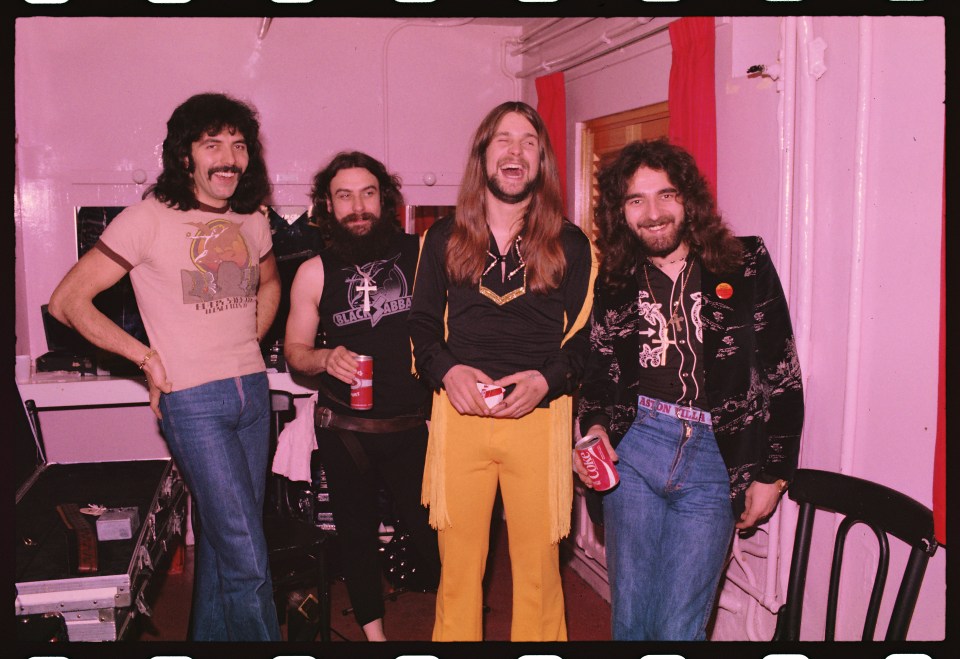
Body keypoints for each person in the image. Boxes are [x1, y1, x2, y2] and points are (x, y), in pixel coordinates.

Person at [48, 92, 282, 641]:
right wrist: (146, 360)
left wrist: (248, 337)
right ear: (185, 157)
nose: (229, 158)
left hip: (252, 390)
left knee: (227, 547)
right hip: (195, 402)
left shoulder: (251, 219)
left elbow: (270, 283)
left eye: (239, 145)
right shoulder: (146, 219)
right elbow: (68, 300)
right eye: (212, 145)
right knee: (248, 553)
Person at [576, 137, 804, 641]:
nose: (653, 213)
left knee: (680, 628)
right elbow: (596, 373)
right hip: (635, 449)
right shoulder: (614, 279)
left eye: (666, 195)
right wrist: (592, 430)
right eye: (636, 200)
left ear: (689, 200)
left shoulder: (744, 264)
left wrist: (774, 474)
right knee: (631, 620)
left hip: (713, 460)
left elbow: (782, 373)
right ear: (621, 213)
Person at [409, 101, 596, 641]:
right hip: (460, 419)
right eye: (503, 140)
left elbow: (584, 339)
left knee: (539, 575)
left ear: (541, 162)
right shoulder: (442, 238)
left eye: (528, 142)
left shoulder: (573, 243)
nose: (515, 151)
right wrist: (447, 373)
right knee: (458, 573)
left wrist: (544, 381)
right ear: (483, 156)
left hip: (540, 421)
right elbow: (422, 325)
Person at [283, 151, 441, 641]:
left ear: (385, 198)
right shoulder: (314, 271)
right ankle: (374, 637)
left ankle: (453, 618)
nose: (358, 206)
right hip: (345, 429)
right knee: (354, 535)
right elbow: (295, 351)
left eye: (368, 193)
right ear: (327, 206)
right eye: (344, 195)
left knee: (433, 531)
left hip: (415, 425)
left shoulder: (423, 254)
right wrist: (324, 359)